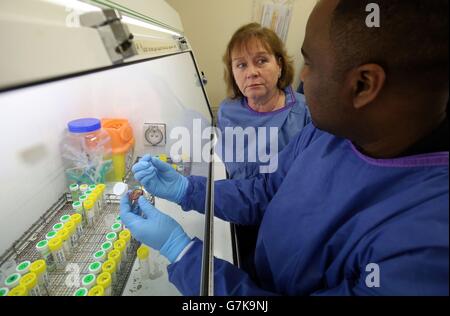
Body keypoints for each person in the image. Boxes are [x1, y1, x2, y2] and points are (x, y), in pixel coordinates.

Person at [120, 0, 449, 295]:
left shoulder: (426, 249)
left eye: (311, 64)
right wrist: (187, 189)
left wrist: (182, 254)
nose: (301, 75)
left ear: (363, 85)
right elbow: (266, 190)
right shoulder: (330, 132)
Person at [216, 23, 310, 276]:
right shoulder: (227, 110)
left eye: (261, 61)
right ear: (233, 73)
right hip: (240, 218)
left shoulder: (306, 111)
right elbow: (232, 169)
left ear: (279, 65)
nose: (252, 72)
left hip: (288, 226)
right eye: (241, 65)